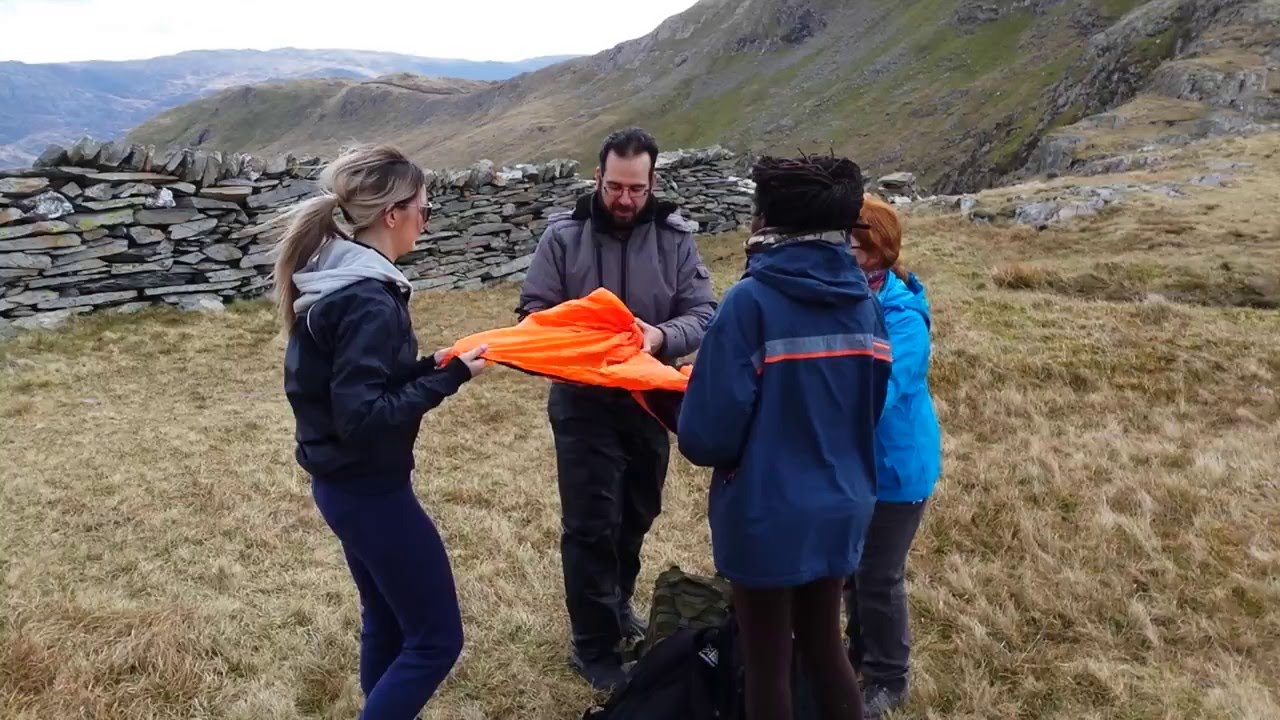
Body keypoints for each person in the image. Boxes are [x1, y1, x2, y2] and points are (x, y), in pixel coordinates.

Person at [274, 144, 489, 719]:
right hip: (369, 490)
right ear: (392, 214)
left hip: (345, 485)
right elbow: (364, 417)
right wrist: (450, 381)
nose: (427, 219)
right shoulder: (370, 298)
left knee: (389, 619)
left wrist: (432, 367)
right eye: (422, 207)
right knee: (437, 640)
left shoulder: (345, 280)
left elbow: (364, 387)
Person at [677, 154, 892, 720]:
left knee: (767, 661)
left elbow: (706, 438)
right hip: (844, 503)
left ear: (766, 220)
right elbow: (869, 406)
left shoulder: (749, 303)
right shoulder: (868, 305)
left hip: (766, 513)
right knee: (825, 646)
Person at [517, 127, 717, 690]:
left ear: (652, 182)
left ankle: (617, 602)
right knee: (590, 525)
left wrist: (658, 337)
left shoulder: (676, 240)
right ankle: (594, 646)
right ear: (597, 177)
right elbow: (533, 311)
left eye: (636, 188)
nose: (624, 200)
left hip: (652, 403)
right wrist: (584, 346)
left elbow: (704, 313)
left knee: (637, 512)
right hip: (583, 402)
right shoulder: (563, 238)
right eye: (613, 187)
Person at [843, 194, 941, 719]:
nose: (845, 255)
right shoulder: (848, 296)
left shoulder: (904, 319)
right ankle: (860, 654)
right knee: (852, 572)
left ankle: (889, 676)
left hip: (898, 471)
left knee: (877, 575)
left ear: (878, 253)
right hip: (859, 464)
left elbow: (881, 392)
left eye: (854, 247)